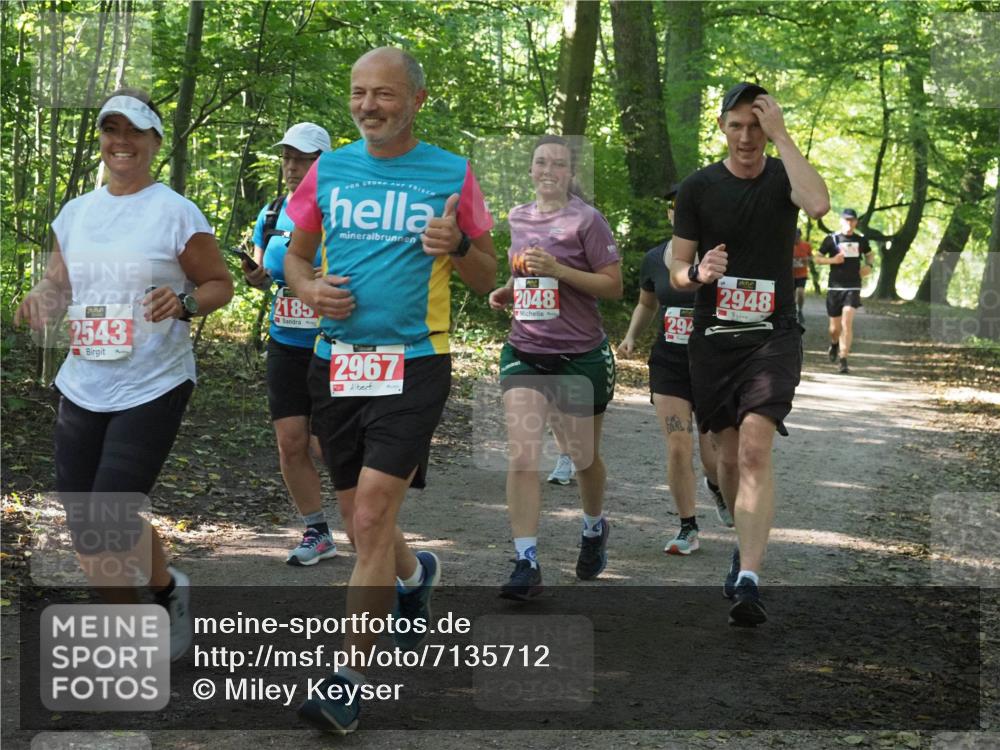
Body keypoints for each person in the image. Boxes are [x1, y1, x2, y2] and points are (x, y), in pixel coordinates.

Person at [286, 48, 496, 734]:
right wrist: (310, 288)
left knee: (372, 517)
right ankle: (414, 574)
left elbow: (490, 277)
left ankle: (346, 680)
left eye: (383, 93)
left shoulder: (453, 173)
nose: (368, 105)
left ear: (417, 99)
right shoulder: (330, 167)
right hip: (336, 364)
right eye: (358, 93)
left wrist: (459, 247)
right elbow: (295, 254)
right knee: (360, 525)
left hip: (414, 363)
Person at [13, 88, 233, 659]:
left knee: (110, 509)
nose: (122, 142)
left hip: (152, 379)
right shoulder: (77, 213)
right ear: (103, 141)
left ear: (155, 142)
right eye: (113, 131)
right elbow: (60, 286)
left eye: (135, 131)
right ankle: (156, 600)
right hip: (83, 379)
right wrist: (41, 297)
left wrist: (183, 302)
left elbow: (218, 284)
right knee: (85, 520)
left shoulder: (176, 211)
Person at [669, 82, 829, 626]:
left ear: (768, 128)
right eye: (736, 125)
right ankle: (743, 534)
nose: (746, 137)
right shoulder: (697, 188)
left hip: (773, 335)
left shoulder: (785, 177)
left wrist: (784, 136)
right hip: (714, 340)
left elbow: (820, 203)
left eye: (756, 126)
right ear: (721, 127)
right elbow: (676, 268)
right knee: (730, 457)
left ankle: (751, 580)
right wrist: (698, 274)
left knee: (757, 449)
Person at [488, 135, 622, 600]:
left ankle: (592, 526)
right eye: (540, 161)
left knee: (583, 457)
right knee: (524, 455)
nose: (548, 170)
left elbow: (612, 286)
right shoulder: (518, 216)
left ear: (570, 173)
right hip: (525, 351)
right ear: (530, 169)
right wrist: (509, 290)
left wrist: (562, 272)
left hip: (579, 356)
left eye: (558, 164)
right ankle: (526, 560)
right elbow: (523, 270)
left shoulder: (588, 220)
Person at [240, 122, 342, 565]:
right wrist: (256, 276)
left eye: (302, 158)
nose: (291, 166)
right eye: (287, 157)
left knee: (328, 445)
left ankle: (369, 516)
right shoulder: (272, 211)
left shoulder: (342, 210)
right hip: (285, 339)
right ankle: (316, 530)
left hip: (333, 341)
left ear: (324, 163)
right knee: (290, 441)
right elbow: (266, 272)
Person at [617, 184, 729, 557]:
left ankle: (717, 485)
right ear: (669, 215)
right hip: (669, 363)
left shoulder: (723, 258)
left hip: (714, 364)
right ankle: (688, 528)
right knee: (679, 446)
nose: (678, 214)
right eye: (674, 209)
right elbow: (646, 304)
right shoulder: (654, 258)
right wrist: (632, 336)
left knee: (713, 452)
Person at [814, 208, 873, 374]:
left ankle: (843, 359)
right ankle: (834, 344)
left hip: (853, 286)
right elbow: (816, 258)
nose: (849, 223)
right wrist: (832, 260)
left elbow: (870, 255)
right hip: (835, 287)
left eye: (852, 220)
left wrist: (869, 266)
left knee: (847, 322)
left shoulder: (861, 239)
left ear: (856, 222)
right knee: (834, 329)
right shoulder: (832, 239)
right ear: (841, 221)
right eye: (846, 220)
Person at [792, 228, 813, 325]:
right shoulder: (788, 244)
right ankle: (792, 312)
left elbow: (811, 257)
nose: (796, 239)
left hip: (802, 273)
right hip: (790, 274)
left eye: (797, 237)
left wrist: (806, 260)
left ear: (800, 236)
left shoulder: (806, 245)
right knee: (791, 295)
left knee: (800, 291)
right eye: (794, 236)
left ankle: (800, 310)